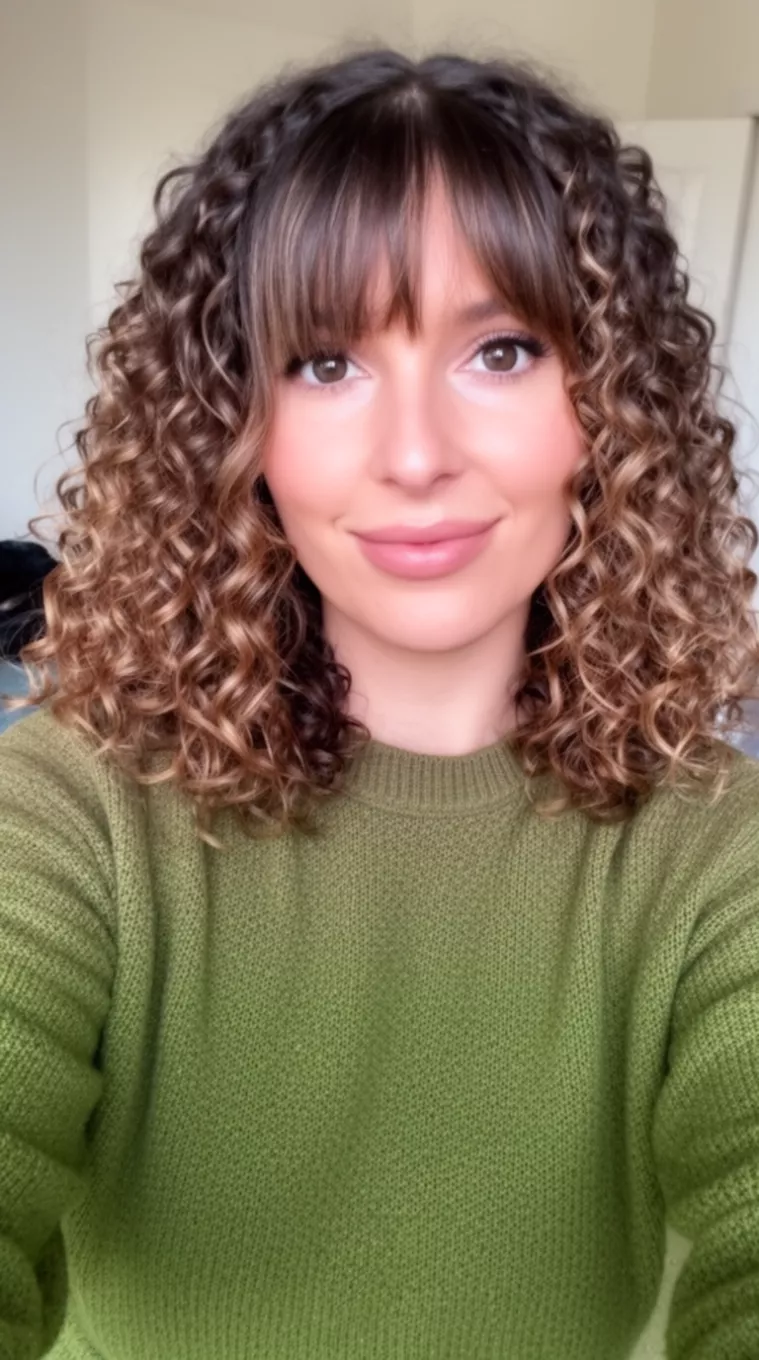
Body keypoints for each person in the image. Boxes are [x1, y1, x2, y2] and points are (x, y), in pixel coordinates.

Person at [1, 44, 759, 1360]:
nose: (414, 456)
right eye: (325, 365)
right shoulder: (71, 810)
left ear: (611, 411)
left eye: (502, 350)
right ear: (228, 419)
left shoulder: (710, 843)